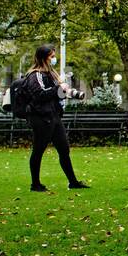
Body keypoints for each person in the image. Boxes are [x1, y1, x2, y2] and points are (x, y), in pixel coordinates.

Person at [25, 45, 88, 192]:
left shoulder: (51, 74)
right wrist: (59, 89)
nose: (54, 59)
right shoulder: (35, 75)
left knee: (64, 149)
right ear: (43, 58)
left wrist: (68, 92)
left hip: (53, 115)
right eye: (51, 56)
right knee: (39, 150)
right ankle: (35, 184)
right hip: (41, 117)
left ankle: (73, 181)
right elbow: (40, 95)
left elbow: (56, 94)